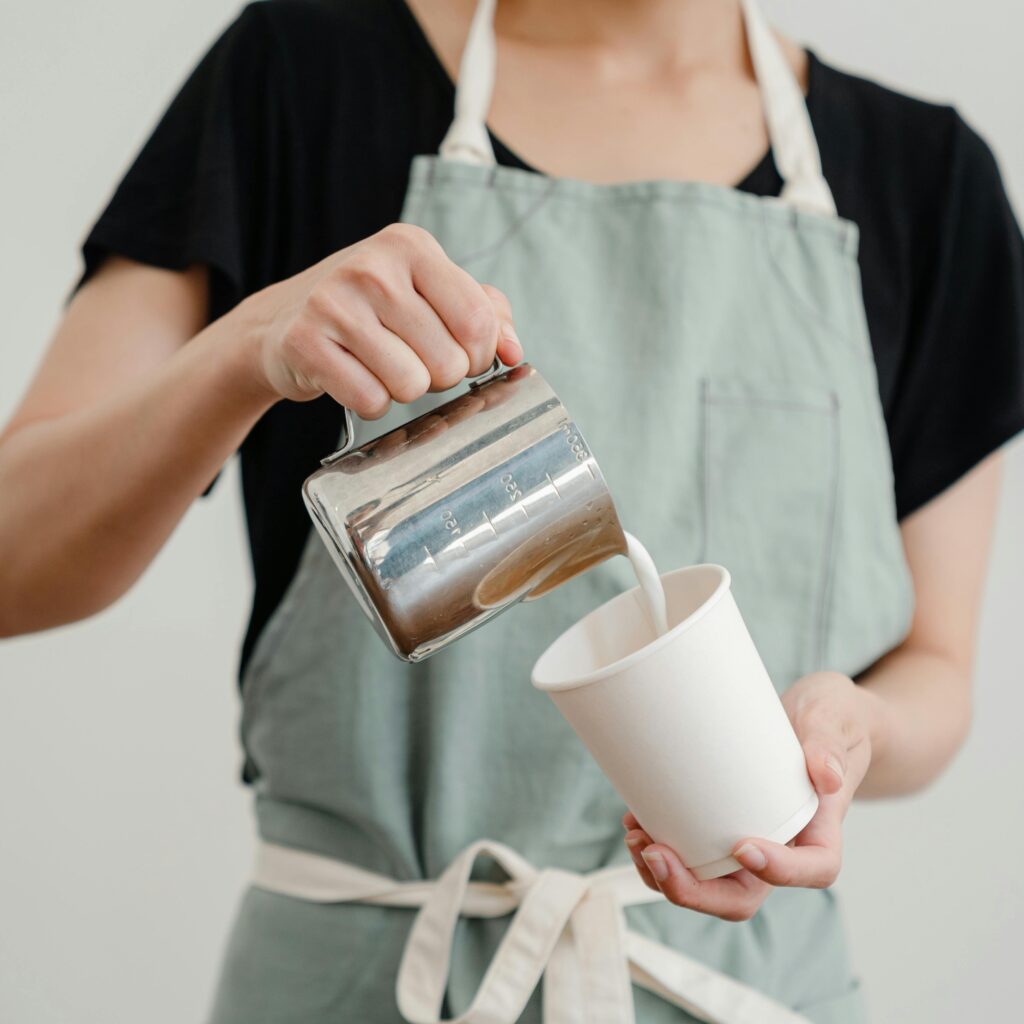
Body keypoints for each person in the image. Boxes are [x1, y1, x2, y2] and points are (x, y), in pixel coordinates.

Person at [1, 0, 1022, 1020]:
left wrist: (849, 732)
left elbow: (935, 668)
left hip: (745, 988)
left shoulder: (924, 179)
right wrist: (249, 345)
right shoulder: (301, 71)